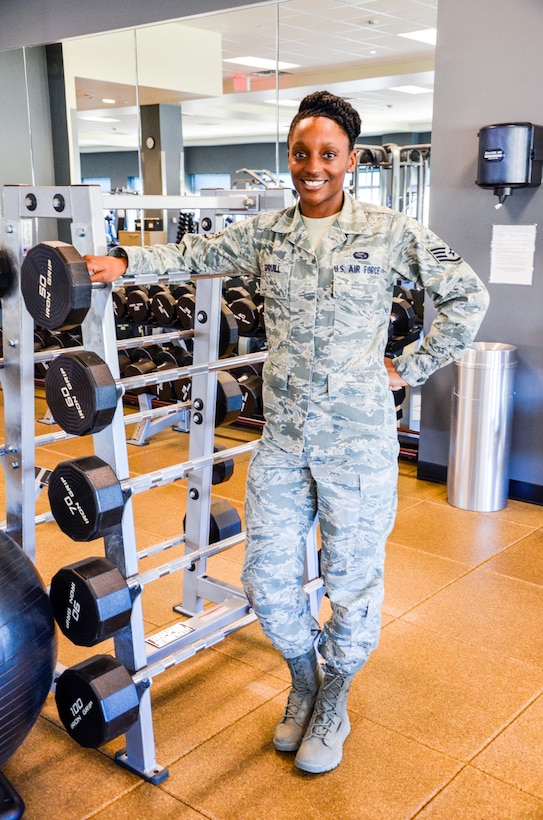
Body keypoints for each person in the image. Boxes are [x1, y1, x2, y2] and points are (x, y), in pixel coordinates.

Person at [85, 91, 489, 774]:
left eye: (326, 154)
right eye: (301, 153)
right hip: (282, 442)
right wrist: (126, 263)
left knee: (352, 582)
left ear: (349, 161)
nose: (312, 166)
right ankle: (302, 680)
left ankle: (335, 695)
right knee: (267, 583)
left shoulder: (391, 230)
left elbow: (465, 297)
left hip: (357, 442)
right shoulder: (268, 233)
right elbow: (194, 249)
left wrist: (409, 365)